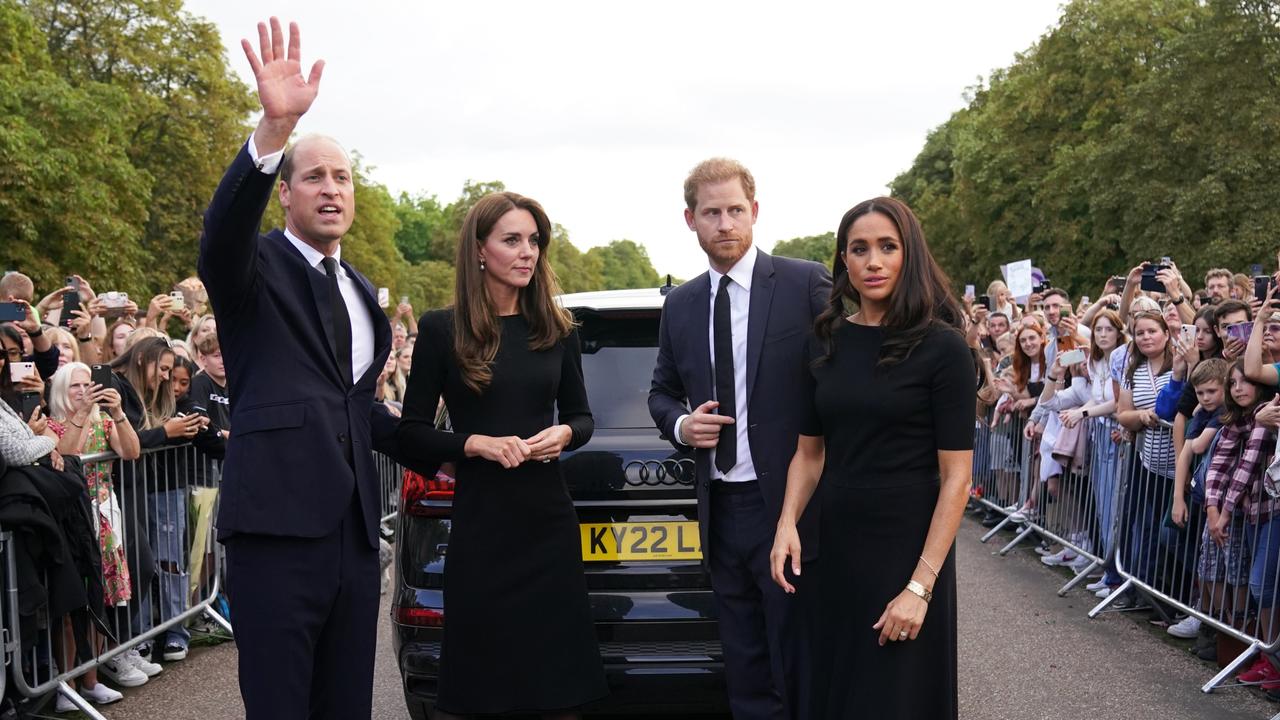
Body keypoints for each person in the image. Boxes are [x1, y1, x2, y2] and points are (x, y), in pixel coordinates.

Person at [197, 18, 393, 719]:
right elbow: (220, 237)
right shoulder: (252, 271)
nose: (331, 189)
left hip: (354, 538)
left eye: (342, 177)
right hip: (277, 536)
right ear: (285, 192)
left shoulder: (365, 291)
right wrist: (274, 131)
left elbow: (361, 412)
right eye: (313, 177)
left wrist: (466, 446)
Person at [396, 191, 606, 718]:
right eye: (512, 240)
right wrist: (474, 444)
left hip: (547, 525)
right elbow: (411, 434)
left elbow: (581, 418)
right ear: (479, 250)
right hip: (483, 527)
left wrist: (563, 436)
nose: (527, 252)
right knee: (484, 692)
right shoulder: (443, 329)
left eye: (534, 240)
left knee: (558, 692)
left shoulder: (558, 330)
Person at [769, 196, 972, 719]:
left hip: (909, 547)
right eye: (859, 249)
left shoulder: (943, 347)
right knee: (841, 694)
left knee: (899, 696)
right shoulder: (824, 341)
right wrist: (787, 522)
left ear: (910, 255)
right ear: (843, 261)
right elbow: (809, 455)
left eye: (888, 247)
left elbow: (957, 478)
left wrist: (919, 588)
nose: (873, 261)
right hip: (836, 548)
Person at [648, 157, 830, 719]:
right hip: (720, 508)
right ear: (690, 219)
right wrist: (682, 425)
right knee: (744, 662)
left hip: (791, 508)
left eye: (734, 210)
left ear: (754, 212)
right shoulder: (679, 305)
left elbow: (846, 377)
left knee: (799, 658)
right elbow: (660, 392)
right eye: (711, 212)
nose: (724, 223)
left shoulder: (804, 282)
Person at [46, 362, 141, 709]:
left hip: (103, 518)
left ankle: (91, 679)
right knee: (73, 606)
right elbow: (68, 452)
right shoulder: (50, 422)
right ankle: (65, 685)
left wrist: (117, 413)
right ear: (60, 390)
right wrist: (83, 414)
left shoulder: (104, 419)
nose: (85, 390)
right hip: (71, 519)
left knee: (100, 601)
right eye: (76, 386)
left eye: (89, 383)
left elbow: (131, 452)